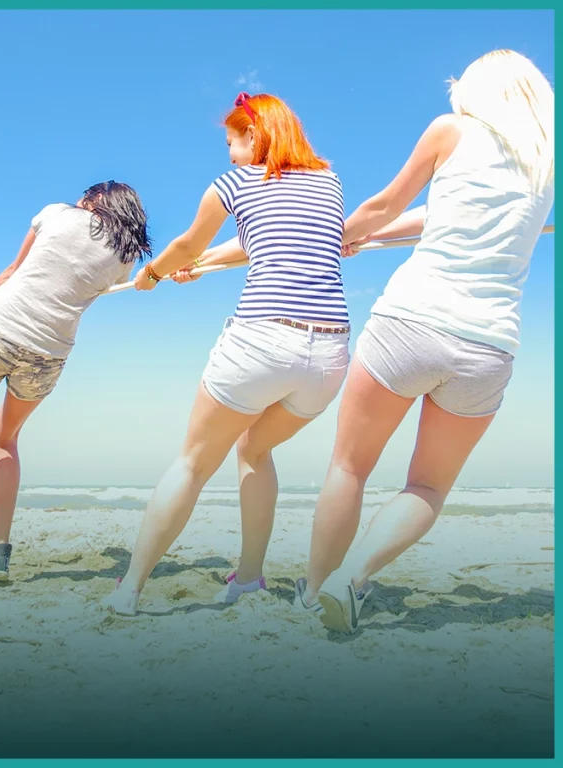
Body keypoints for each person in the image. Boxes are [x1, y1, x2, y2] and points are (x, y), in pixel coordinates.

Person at [299, 50, 555, 633]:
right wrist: (370, 236)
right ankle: (353, 577)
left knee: (349, 467)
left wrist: (344, 234)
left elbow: (387, 203)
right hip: (489, 348)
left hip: (411, 322)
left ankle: (312, 591)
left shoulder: (451, 131)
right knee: (428, 486)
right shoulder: (542, 167)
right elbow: (427, 215)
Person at [104, 92, 351, 616]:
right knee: (254, 449)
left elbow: (188, 243)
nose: (229, 155)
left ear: (253, 135)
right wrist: (203, 263)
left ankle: (129, 590)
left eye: (231, 143)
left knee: (193, 462)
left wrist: (154, 274)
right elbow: (262, 240)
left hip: (261, 340)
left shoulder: (233, 184)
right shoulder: (329, 182)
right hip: (328, 355)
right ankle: (250, 578)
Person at [0, 181, 152, 586]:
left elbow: (14, 270)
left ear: (93, 199)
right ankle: (0, 553)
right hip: (47, 353)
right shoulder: (125, 256)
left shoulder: (56, 213)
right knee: (5, 440)